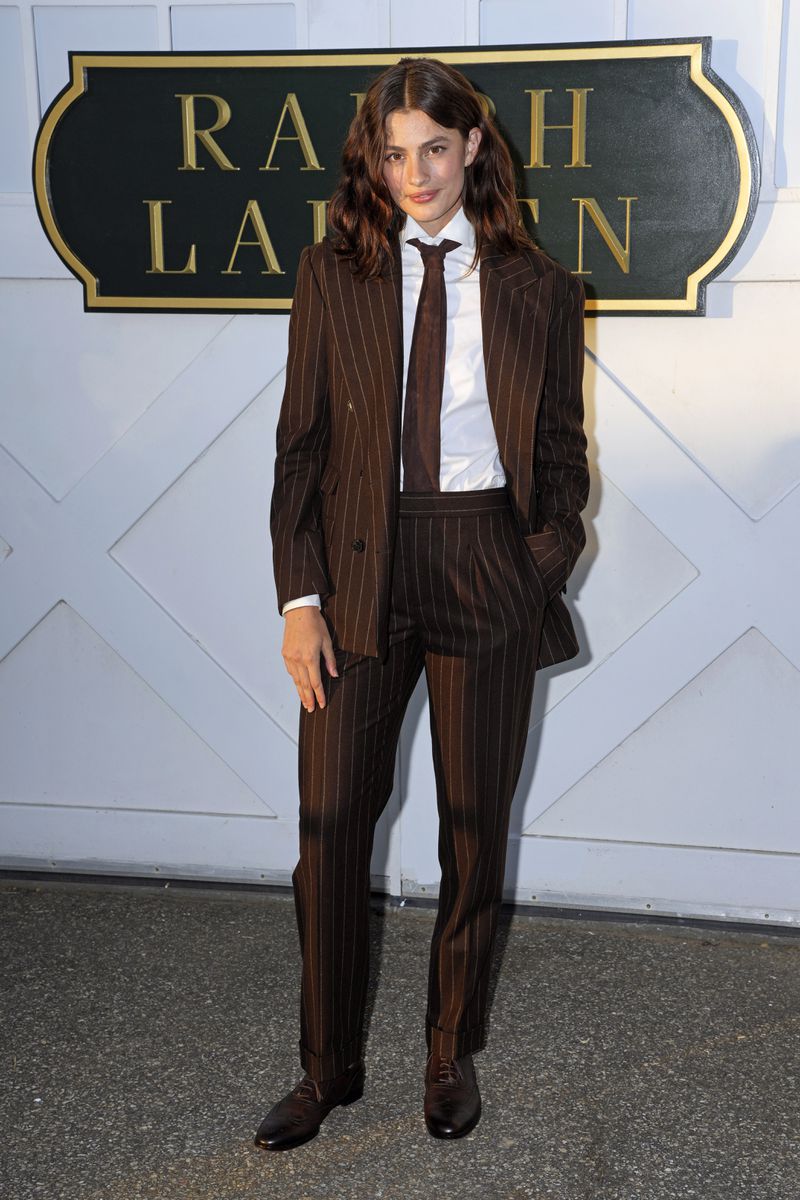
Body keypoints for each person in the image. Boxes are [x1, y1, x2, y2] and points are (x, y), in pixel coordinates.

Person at [257, 55, 589, 1151]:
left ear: (473, 148)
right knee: (328, 831)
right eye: (393, 153)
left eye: (433, 149)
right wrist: (299, 600)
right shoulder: (331, 274)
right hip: (355, 574)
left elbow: (558, 459)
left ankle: (448, 1053)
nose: (415, 173)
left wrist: (532, 561)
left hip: (479, 560)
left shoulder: (538, 286)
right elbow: (298, 449)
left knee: (471, 833)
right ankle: (324, 1069)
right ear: (372, 159)